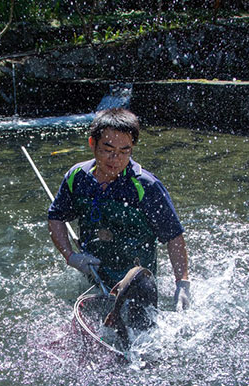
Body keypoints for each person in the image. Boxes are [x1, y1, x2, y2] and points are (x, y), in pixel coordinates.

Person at [47, 108, 191, 310]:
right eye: (108, 150)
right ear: (92, 144)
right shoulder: (77, 177)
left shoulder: (145, 186)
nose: (116, 159)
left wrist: (182, 284)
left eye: (125, 151)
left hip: (138, 285)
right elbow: (56, 217)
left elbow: (174, 236)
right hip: (93, 278)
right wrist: (71, 257)